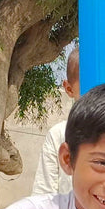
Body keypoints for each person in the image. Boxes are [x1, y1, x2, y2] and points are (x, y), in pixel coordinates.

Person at [32, 46, 80, 196]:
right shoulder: (59, 135)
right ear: (69, 89)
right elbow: (43, 197)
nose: (99, 96)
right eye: (89, 86)